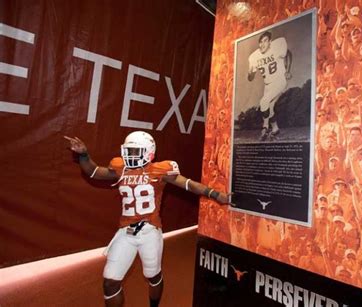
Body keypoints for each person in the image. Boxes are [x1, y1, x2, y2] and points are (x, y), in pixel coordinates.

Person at [64, 131, 231, 307]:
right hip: (125, 232)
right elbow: (94, 172)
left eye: (136, 151)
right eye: (129, 151)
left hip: (150, 231)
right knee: (110, 281)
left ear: (149, 152)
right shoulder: (121, 168)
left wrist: (215, 194)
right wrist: (83, 155)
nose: (131, 155)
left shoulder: (160, 170)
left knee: (153, 275)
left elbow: (188, 184)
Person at [247, 31, 292, 141]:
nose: (262, 44)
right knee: (269, 108)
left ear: (270, 42)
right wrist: (250, 72)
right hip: (268, 85)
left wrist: (288, 70)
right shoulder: (254, 57)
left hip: (280, 80)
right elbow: (250, 78)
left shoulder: (277, 46)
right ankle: (275, 129)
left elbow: (289, 53)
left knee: (263, 102)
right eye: (260, 42)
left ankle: (265, 128)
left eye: (265, 41)